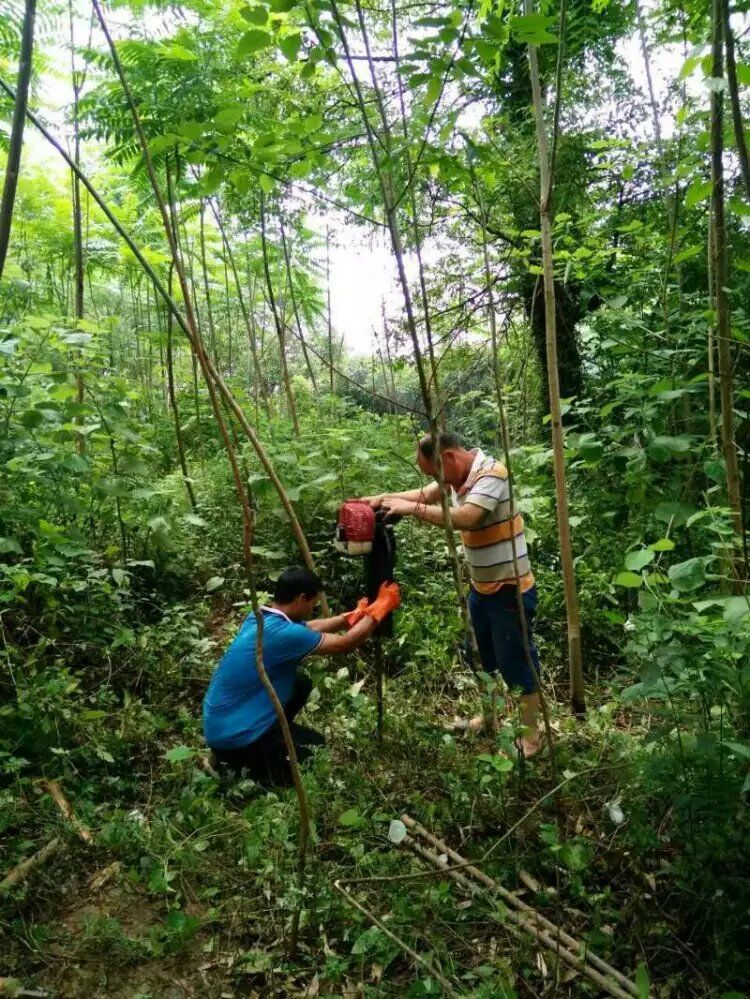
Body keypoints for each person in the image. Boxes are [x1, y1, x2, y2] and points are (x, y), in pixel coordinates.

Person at [358, 432, 542, 758]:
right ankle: (490, 719)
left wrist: (411, 509)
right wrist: (382, 498)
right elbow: (425, 494)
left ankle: (531, 738)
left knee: (516, 662)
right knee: (480, 657)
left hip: (509, 589)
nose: (437, 481)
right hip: (481, 588)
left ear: (449, 458)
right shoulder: (457, 475)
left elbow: (466, 518)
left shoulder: (491, 474)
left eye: (435, 472)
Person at [203, 566, 400, 784]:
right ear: (301, 598)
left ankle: (264, 739)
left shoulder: (258, 618)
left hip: (220, 728)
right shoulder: (285, 635)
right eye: (312, 603)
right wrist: (380, 608)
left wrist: (351, 617)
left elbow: (310, 628)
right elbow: (346, 643)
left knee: (300, 683)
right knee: (313, 753)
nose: (312, 608)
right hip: (236, 740)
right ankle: (233, 766)